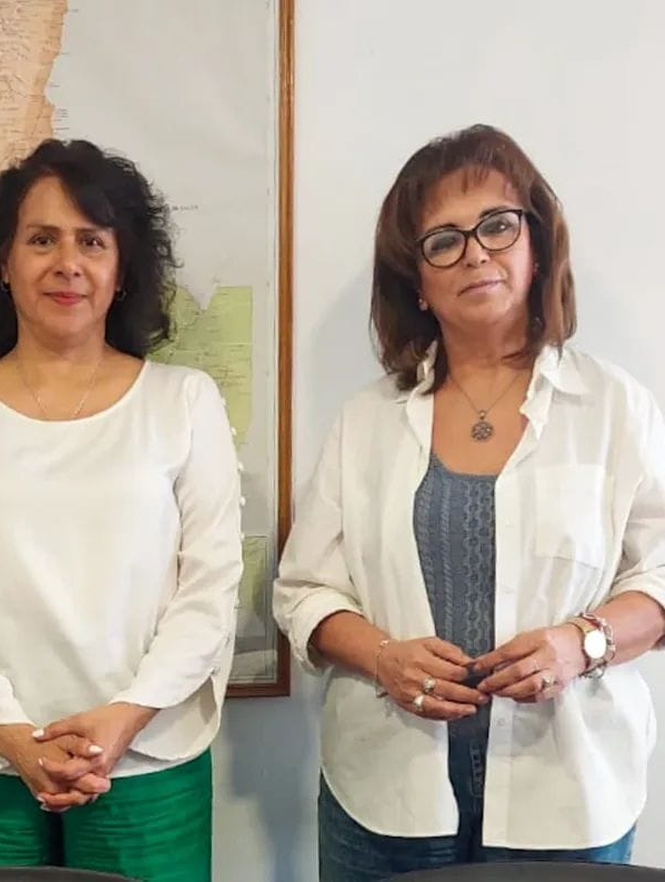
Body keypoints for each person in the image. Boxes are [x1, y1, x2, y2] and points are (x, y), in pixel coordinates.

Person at [273, 124, 665, 881]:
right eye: (444, 241)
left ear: (537, 246)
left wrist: (580, 644)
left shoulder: (616, 408)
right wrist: (383, 658)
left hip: (568, 793)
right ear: (417, 282)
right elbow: (304, 591)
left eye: (497, 225)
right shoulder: (367, 420)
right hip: (386, 793)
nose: (476, 254)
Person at [0, 138, 243, 881]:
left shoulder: (183, 402)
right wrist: (17, 739)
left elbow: (209, 592)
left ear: (122, 269)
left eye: (92, 241)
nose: (67, 263)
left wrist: (125, 718)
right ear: (3, 263)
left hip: (146, 761)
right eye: (42, 239)